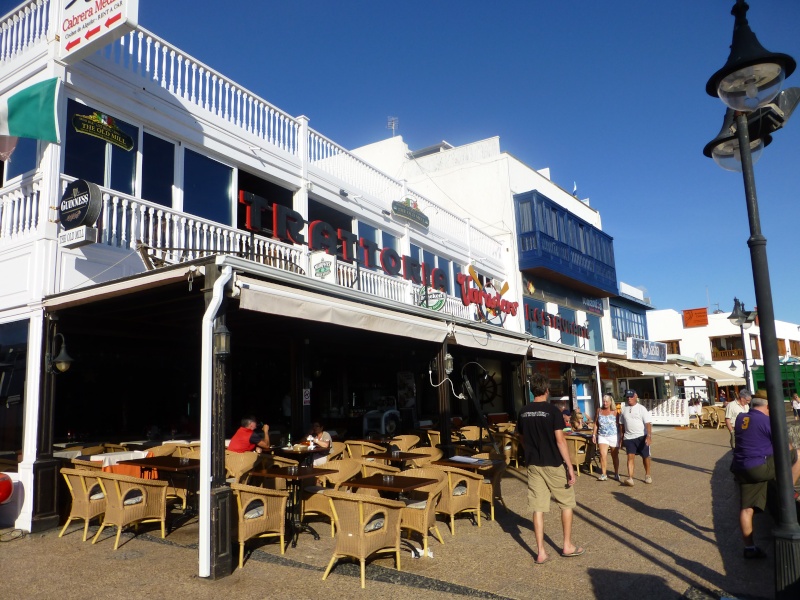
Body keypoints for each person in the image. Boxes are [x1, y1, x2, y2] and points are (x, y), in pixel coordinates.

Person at [516, 372, 584, 565]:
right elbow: (560, 440)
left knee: (538, 508)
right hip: (553, 463)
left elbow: (520, 437)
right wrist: (570, 467)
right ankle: (567, 545)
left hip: (534, 464)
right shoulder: (553, 411)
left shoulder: (523, 412)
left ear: (532, 391)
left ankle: (541, 552)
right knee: (566, 503)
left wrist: (528, 450)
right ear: (546, 390)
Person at [730, 390, 800, 559]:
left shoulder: (741, 418)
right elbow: (786, 447)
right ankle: (789, 491)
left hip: (741, 467)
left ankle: (749, 547)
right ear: (769, 406)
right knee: (799, 453)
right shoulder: (768, 421)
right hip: (758, 467)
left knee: (746, 509)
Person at [618, 389, 653, 486]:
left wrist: (649, 436)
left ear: (636, 396)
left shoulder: (641, 409)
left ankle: (648, 475)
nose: (629, 398)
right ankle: (630, 478)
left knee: (645, 457)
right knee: (630, 457)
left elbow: (648, 424)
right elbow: (621, 424)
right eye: (627, 397)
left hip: (641, 436)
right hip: (629, 437)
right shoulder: (623, 409)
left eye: (631, 396)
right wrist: (621, 437)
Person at [592, 394, 620, 481]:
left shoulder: (615, 412)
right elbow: (596, 423)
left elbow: (619, 425)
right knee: (602, 455)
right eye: (604, 401)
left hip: (613, 436)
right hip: (602, 436)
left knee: (614, 455)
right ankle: (604, 474)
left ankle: (616, 473)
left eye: (607, 401)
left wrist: (621, 437)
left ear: (610, 402)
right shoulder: (599, 410)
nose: (605, 403)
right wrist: (594, 434)